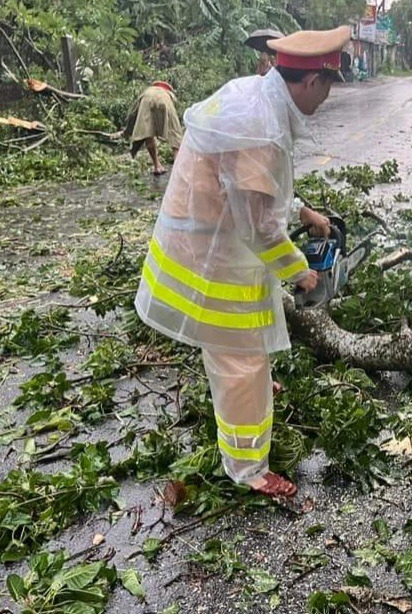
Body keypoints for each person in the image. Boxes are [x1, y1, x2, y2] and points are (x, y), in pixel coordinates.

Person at [134, 27, 353, 498]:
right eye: (329, 87)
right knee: (242, 362)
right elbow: (258, 225)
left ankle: (249, 396)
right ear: (313, 81)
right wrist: (300, 270)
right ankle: (249, 467)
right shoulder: (263, 127)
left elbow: (252, 190)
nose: (327, 98)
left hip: (205, 238)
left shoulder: (254, 97)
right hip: (211, 255)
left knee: (237, 351)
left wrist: (304, 211)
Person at [125, 81, 183, 176]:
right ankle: (178, 169)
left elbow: (133, 113)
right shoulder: (167, 95)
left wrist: (127, 131)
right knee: (175, 135)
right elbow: (173, 124)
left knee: (148, 132)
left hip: (146, 101)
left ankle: (157, 166)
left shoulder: (147, 92)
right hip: (164, 101)